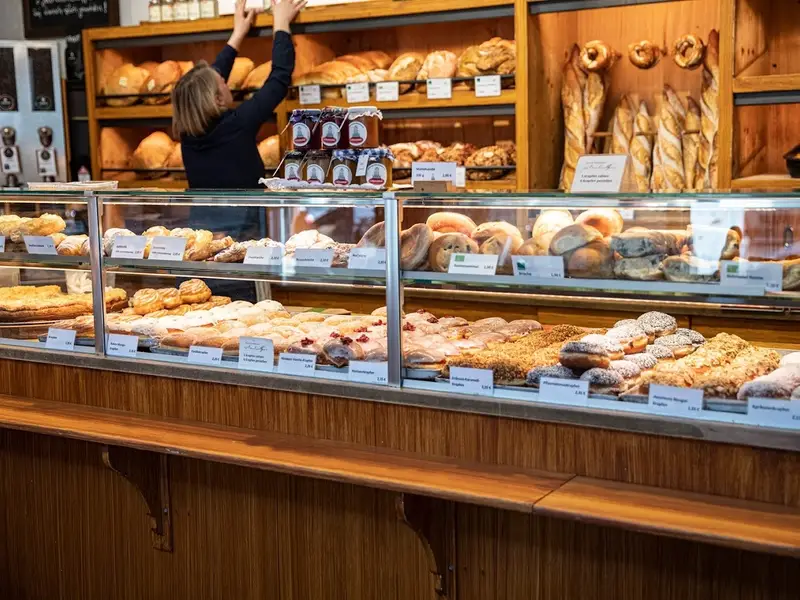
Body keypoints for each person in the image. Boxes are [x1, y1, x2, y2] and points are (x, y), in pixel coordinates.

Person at [173, 0, 305, 190]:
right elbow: (279, 77)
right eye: (223, 83)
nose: (225, 82)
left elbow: (206, 82)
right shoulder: (237, 125)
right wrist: (281, 24)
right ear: (216, 98)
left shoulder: (187, 133)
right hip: (245, 218)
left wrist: (238, 34)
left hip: (203, 217)